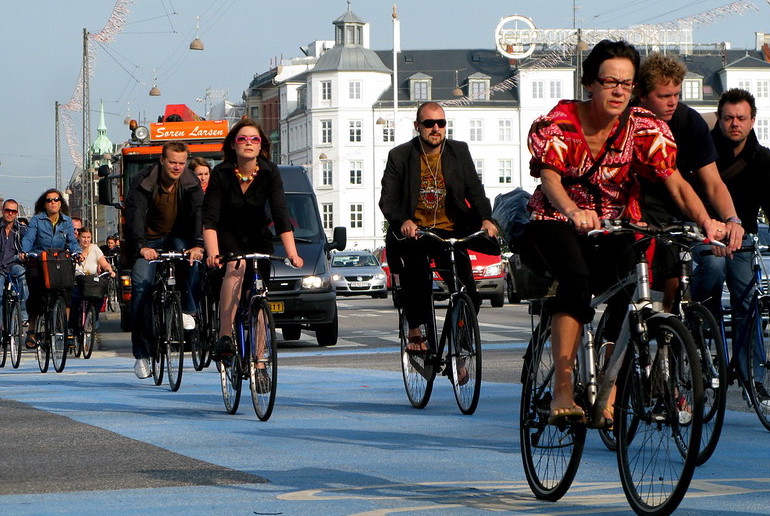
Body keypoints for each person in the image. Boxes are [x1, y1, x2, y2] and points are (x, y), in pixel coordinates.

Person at [522, 40, 724, 426]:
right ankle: (563, 389)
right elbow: (549, 178)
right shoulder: (560, 122)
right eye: (610, 81)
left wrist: (707, 221)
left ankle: (610, 385)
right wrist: (573, 210)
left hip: (613, 223)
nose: (618, 90)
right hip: (555, 220)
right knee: (576, 282)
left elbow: (677, 183)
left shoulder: (645, 129)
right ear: (589, 84)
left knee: (633, 282)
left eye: (627, 84)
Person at [379, 101, 499, 359]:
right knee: (417, 277)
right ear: (417, 126)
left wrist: (486, 220)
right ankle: (415, 329)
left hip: (449, 231)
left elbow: (475, 191)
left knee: (467, 289)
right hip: (417, 232)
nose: (436, 128)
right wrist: (403, 221)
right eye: (429, 123)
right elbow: (387, 199)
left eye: (441, 123)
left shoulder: (459, 151)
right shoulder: (400, 156)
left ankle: (460, 345)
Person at [635, 53, 743, 309]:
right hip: (632, 208)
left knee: (672, 286)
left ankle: (671, 341)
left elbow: (713, 182)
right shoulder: (628, 120)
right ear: (642, 95)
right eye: (664, 96)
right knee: (626, 297)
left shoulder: (689, 121)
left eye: (677, 95)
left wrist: (732, 219)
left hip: (673, 211)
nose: (673, 102)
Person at [691, 88, 770, 404]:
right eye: (728, 118)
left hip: (744, 240)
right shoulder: (704, 155)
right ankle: (704, 337)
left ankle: (753, 374)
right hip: (705, 235)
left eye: (741, 118)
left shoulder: (764, 160)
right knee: (712, 267)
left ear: (752, 121)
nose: (734, 123)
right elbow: (693, 197)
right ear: (719, 120)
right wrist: (709, 232)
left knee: (748, 298)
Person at [203, 119, 303, 364]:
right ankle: (226, 334)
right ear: (233, 145)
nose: (248, 143)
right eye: (242, 139)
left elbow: (281, 214)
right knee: (236, 267)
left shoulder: (270, 172)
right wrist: (213, 253)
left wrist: (293, 253)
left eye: (254, 139)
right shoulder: (222, 173)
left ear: (261, 146)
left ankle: (259, 360)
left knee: (259, 294)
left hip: (258, 235)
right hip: (228, 234)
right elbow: (210, 218)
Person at [124, 140, 204, 379]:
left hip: (178, 236)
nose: (177, 167)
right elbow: (134, 214)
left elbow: (199, 211)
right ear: (162, 160)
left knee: (192, 260)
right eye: (172, 162)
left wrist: (198, 245)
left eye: (182, 163)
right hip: (147, 240)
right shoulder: (143, 180)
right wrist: (140, 247)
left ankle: (188, 310)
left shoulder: (191, 182)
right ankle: (142, 355)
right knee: (141, 287)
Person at [20, 189, 82, 349]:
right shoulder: (36, 220)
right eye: (49, 200)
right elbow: (28, 238)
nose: (53, 202)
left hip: (59, 261)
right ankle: (32, 330)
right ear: (45, 204)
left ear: (61, 203)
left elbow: (72, 242)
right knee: (35, 294)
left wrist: (77, 253)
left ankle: (65, 328)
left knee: (67, 291)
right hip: (39, 260)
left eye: (56, 199)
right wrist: (24, 252)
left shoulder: (66, 221)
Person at [70, 226, 116, 327]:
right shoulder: (74, 249)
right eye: (83, 237)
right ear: (78, 237)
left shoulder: (95, 249)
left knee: (99, 297)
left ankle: (94, 318)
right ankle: (72, 328)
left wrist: (110, 270)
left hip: (91, 282)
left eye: (88, 237)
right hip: (77, 281)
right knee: (74, 301)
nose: (86, 240)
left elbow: (104, 263)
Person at [0, 199, 29, 325]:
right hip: (0, 267)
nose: (10, 213)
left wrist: (25, 253)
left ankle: (23, 314)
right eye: (7, 210)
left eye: (13, 211)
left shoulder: (21, 229)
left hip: (14, 265)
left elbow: (29, 242)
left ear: (17, 213)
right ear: (2, 211)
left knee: (23, 277)